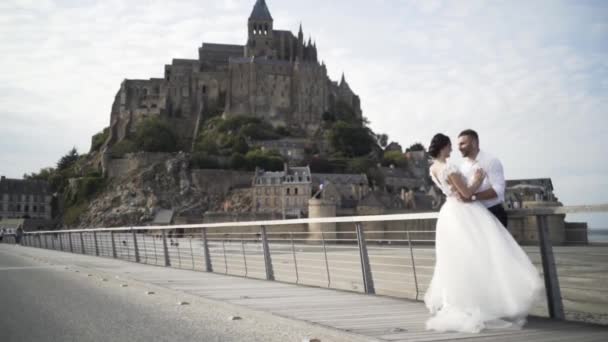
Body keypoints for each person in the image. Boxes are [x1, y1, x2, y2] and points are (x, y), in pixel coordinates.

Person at [424, 133, 543, 333]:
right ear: (444, 147)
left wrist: (469, 190)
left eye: (462, 143)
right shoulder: (451, 167)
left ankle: (476, 303)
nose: (455, 149)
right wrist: (477, 180)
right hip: (465, 213)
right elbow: (467, 194)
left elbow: (496, 190)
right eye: (453, 145)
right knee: (480, 259)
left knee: (461, 261)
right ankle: (484, 305)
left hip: (450, 214)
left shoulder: (434, 168)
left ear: (475, 142)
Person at [457, 129, 508, 227]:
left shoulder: (491, 161)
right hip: (473, 215)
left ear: (474, 143)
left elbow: (499, 189)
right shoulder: (462, 166)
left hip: (493, 213)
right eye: (458, 145)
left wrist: (473, 197)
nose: (459, 148)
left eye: (462, 144)